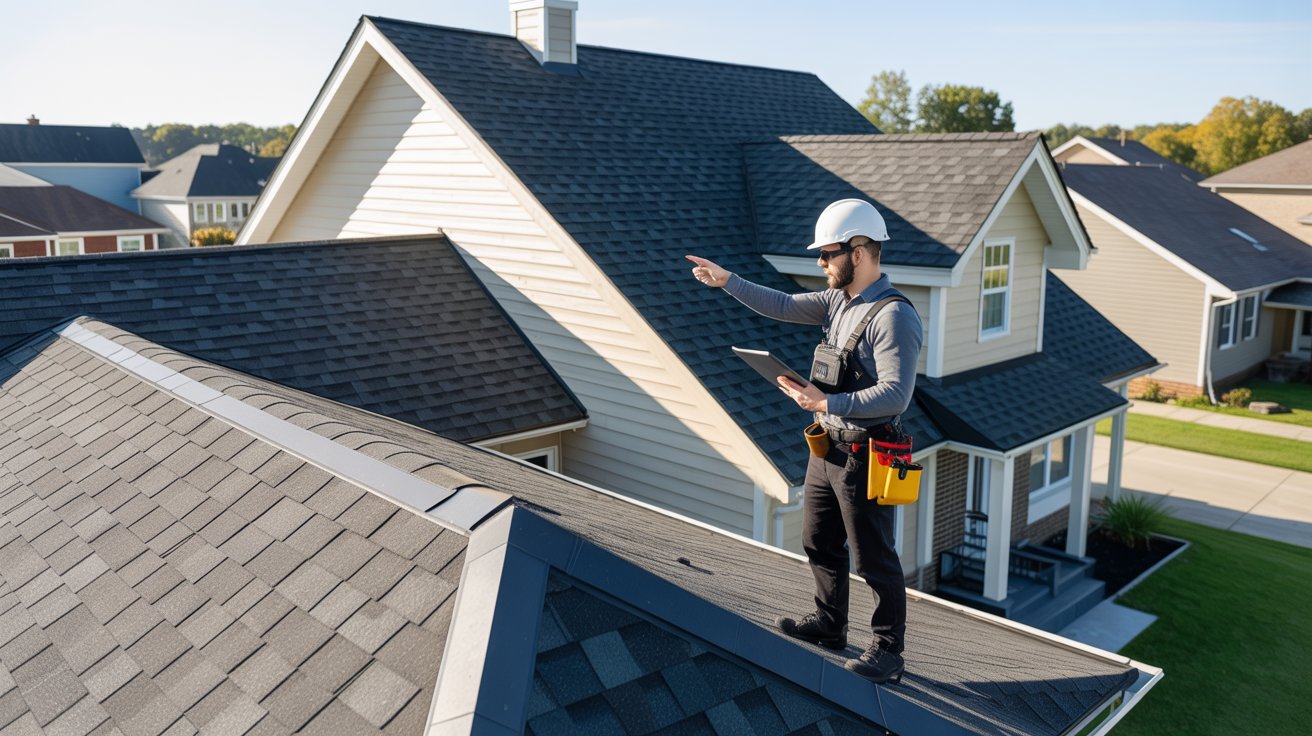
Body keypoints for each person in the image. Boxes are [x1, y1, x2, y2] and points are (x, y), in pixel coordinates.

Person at [686, 198, 922, 684]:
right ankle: (831, 626)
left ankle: (888, 650)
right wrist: (727, 280)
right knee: (818, 541)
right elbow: (782, 305)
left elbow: (895, 395)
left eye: (827, 253)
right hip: (828, 447)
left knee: (874, 556)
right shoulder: (836, 301)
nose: (820, 263)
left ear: (859, 252)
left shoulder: (892, 317)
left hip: (867, 453)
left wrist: (826, 403)